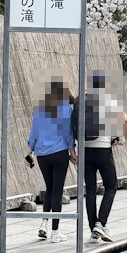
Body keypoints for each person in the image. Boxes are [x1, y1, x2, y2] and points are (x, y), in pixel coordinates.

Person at [73, 71, 127, 243]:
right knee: (111, 186)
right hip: (103, 149)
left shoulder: (79, 99)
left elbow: (72, 124)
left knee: (90, 190)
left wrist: (73, 149)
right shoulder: (108, 99)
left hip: (85, 149)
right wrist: (124, 138)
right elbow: (126, 120)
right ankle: (101, 223)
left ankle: (93, 229)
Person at [28, 80, 75, 243]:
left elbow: (34, 132)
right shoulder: (65, 108)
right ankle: (55, 232)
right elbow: (68, 133)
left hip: (42, 154)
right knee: (57, 191)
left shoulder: (40, 109)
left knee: (49, 188)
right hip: (59, 152)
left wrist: (29, 152)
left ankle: (44, 224)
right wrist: (72, 151)